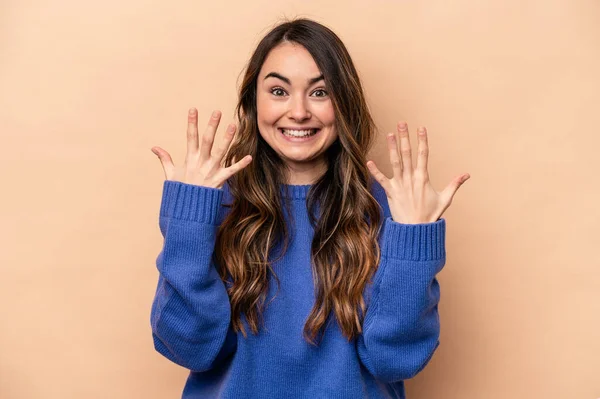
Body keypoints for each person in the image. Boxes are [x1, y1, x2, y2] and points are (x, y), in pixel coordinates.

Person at [149, 18, 469, 399]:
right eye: (279, 91)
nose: (299, 112)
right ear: (254, 99)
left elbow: (394, 361)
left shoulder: (390, 210)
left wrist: (413, 241)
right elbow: (190, 348)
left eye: (320, 92)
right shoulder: (214, 203)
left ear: (343, 102)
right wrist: (188, 224)